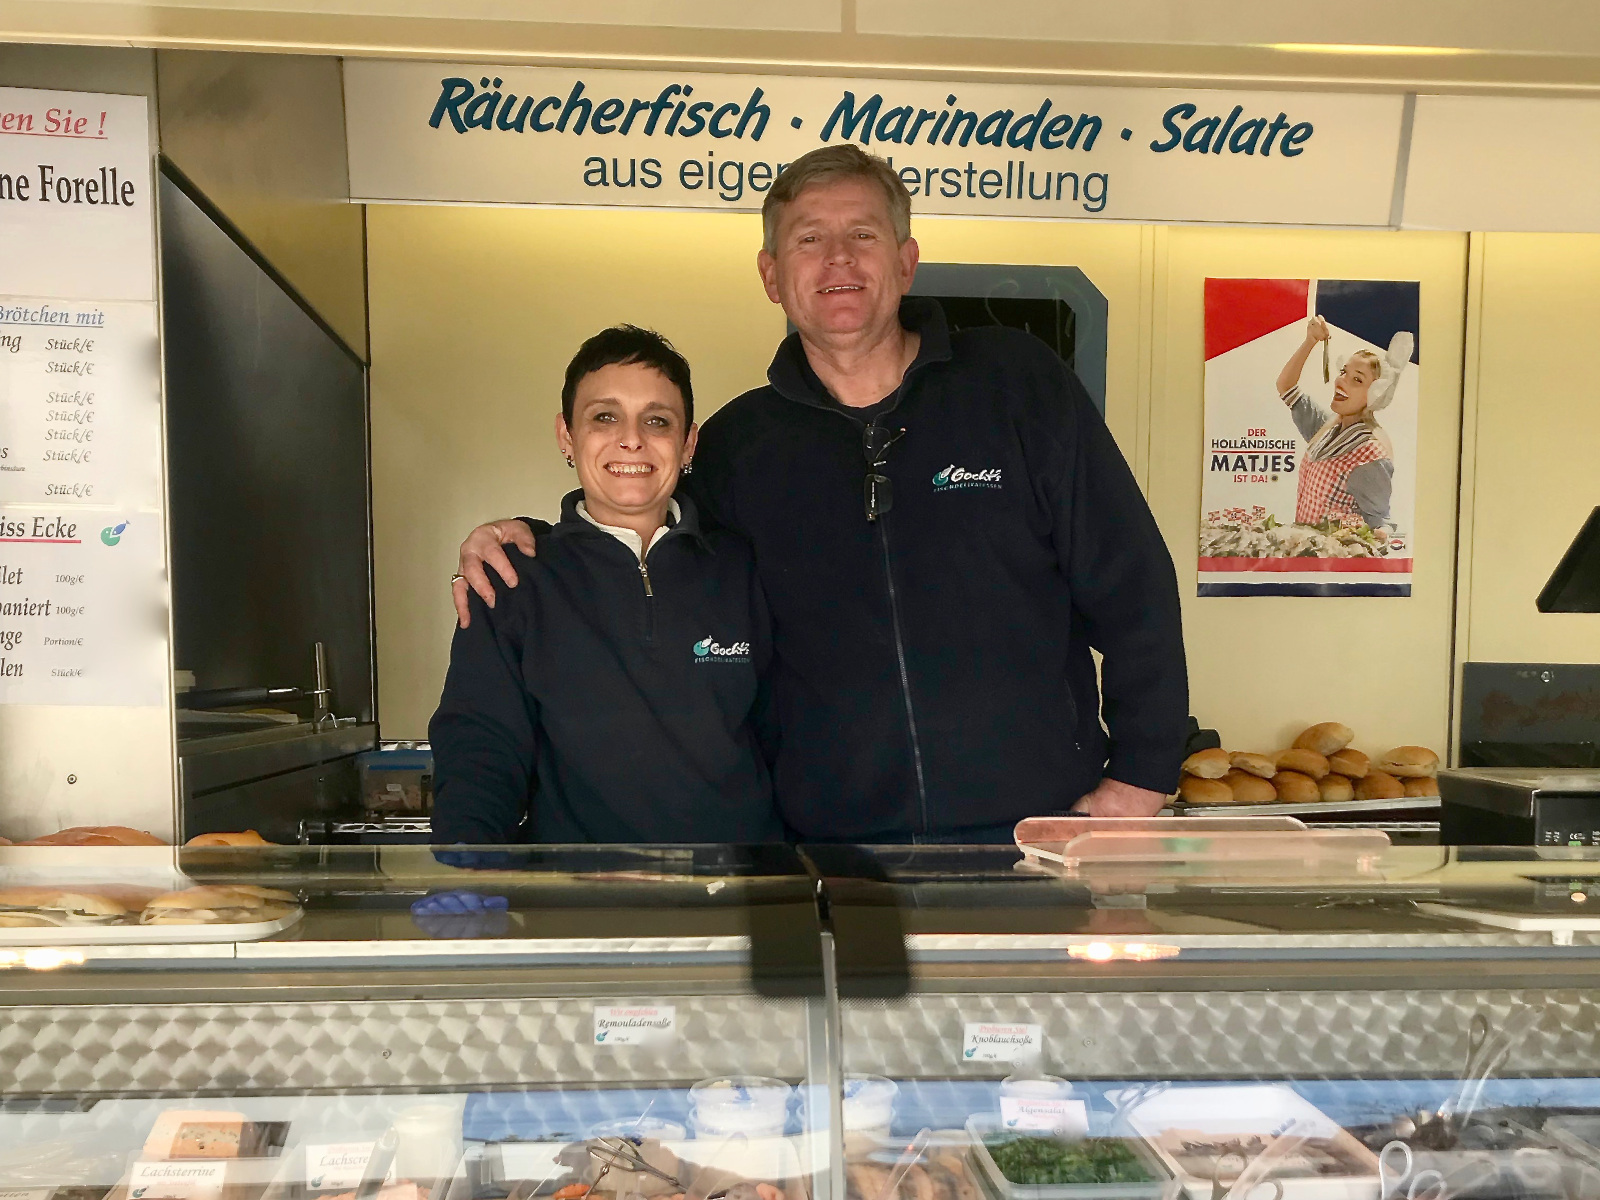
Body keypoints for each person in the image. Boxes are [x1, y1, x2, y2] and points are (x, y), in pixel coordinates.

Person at [452, 145, 1188, 843]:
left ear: (905, 262)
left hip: (1039, 832)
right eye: (810, 239)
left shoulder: (1017, 386)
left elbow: (1134, 583)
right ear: (773, 277)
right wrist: (527, 538)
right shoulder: (742, 446)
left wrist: (1143, 774)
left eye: (862, 233)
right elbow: (641, 525)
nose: (838, 258)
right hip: (832, 857)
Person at [429, 325, 783, 844]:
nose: (632, 439)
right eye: (604, 416)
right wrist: (465, 866)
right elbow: (481, 745)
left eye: (657, 420)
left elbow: (790, 731)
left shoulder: (744, 567)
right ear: (566, 437)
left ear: (689, 444)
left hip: (742, 898)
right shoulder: (511, 579)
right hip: (583, 905)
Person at [1275, 315, 1414, 541]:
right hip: (1303, 553)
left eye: (1357, 380)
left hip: (1335, 559)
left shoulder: (1370, 455)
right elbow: (1286, 387)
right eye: (1344, 373)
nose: (1341, 382)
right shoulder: (1326, 426)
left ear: (1376, 394)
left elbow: (1380, 521)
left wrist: (1381, 534)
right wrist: (1310, 340)